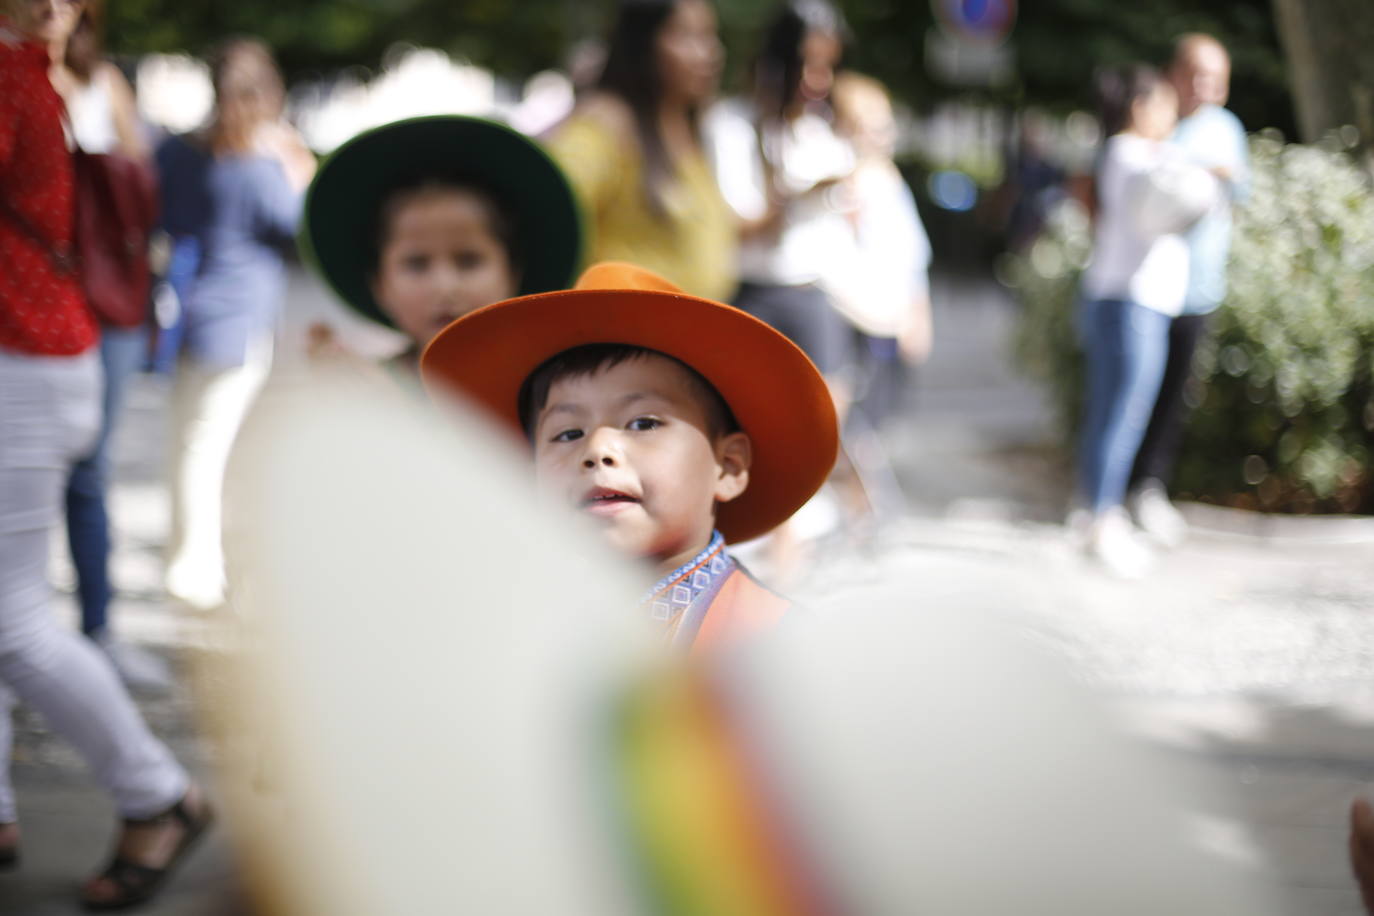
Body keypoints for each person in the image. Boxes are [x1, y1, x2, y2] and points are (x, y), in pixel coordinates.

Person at [0, 4, 211, 909]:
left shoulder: (11, 73)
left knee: (11, 620)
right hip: (36, 356)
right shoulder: (23, 72)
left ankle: (158, 793)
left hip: (26, 361)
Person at [420, 262, 839, 650]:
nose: (597, 451)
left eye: (643, 424)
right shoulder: (507, 636)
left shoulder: (779, 647)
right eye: (568, 433)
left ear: (728, 466)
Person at [156, 36, 315, 610]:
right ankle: (197, 569)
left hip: (185, 308)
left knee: (188, 442)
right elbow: (298, 229)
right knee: (210, 448)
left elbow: (164, 212)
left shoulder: (180, 153)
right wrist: (298, 166)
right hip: (240, 317)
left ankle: (193, 562)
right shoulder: (265, 163)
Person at [46, 0, 169, 687]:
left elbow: (139, 188)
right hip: (37, 305)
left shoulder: (104, 85)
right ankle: (30, 639)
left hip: (104, 301)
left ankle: (97, 630)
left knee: (89, 470)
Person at [300, 115, 582, 376]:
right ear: (379, 284)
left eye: (468, 260)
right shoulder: (359, 390)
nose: (444, 286)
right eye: (416, 263)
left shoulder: (551, 390)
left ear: (513, 272)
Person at [1076, 63, 1219, 578]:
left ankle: (1098, 514)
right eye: (1163, 103)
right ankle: (1102, 520)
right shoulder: (1130, 153)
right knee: (1123, 414)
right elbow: (1170, 202)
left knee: (1110, 412)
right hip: (1131, 304)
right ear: (1140, 107)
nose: (1173, 113)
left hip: (1125, 301)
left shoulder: (1131, 154)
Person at [1126, 34, 1249, 545]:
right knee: (1132, 391)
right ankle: (1113, 489)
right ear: (1174, 72)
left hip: (1196, 288)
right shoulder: (1155, 116)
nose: (1203, 86)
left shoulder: (1223, 129)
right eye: (1195, 73)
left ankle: (1148, 488)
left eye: (1213, 77)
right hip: (1145, 284)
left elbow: (1235, 185)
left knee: (1173, 393)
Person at [704, 0, 855, 392]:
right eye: (807, 64)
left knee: (826, 413)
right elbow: (740, 228)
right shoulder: (732, 125)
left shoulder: (819, 130)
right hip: (752, 297)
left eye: (828, 66)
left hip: (815, 294)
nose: (818, 81)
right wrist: (793, 194)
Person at [545, 0, 737, 302]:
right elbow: (546, 210)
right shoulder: (606, 124)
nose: (710, 53)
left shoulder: (684, 126)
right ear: (642, 43)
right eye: (688, 36)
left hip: (689, 337)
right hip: (624, 337)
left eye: (710, 36)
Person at [826, 70, 932, 429]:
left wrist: (918, 312)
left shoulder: (887, 177)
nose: (883, 134)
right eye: (871, 125)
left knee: (874, 421)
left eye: (885, 125)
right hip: (855, 319)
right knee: (854, 426)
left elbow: (911, 255)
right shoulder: (843, 181)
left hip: (888, 318)